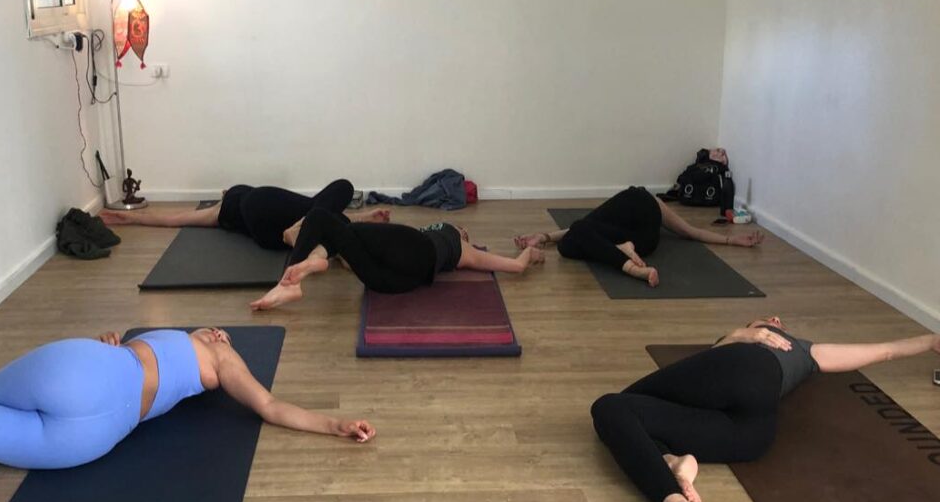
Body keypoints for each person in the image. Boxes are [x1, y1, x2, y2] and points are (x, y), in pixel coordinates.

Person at [589, 316, 940, 502]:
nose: (773, 321)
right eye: (764, 321)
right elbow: (885, 351)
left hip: (747, 372)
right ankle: (679, 499)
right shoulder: (791, 350)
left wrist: (929, 341)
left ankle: (672, 466)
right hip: (752, 436)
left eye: (775, 323)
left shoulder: (798, 349)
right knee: (627, 415)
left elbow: (883, 350)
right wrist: (743, 333)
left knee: (616, 405)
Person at [0, 327, 375, 493]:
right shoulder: (185, 349)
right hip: (95, 437)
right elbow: (270, 406)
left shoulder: (218, 353)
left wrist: (334, 424)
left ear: (220, 339)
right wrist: (337, 426)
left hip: (85, 372)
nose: (219, 332)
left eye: (223, 334)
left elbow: (270, 405)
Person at [250, 208, 545, 310]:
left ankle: (307, 266)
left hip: (418, 256)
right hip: (385, 281)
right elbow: (355, 257)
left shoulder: (463, 248)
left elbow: (515, 266)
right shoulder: (424, 236)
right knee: (333, 227)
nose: (463, 229)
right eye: (462, 228)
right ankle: (304, 271)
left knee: (330, 222)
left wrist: (531, 252)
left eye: (464, 230)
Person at [513, 186, 764, 287]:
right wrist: (731, 240)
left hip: (636, 227)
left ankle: (633, 267)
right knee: (577, 235)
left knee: (574, 239)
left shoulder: (628, 205)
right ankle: (625, 250)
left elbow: (584, 227)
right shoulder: (651, 203)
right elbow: (690, 232)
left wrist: (544, 237)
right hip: (644, 233)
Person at [100, 178, 389, 250]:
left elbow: (173, 219)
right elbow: (171, 219)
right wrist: (129, 216)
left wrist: (132, 217)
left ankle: (312, 230)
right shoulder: (230, 203)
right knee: (343, 187)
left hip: (269, 236)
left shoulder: (218, 213)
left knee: (316, 212)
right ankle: (334, 232)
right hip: (269, 215)